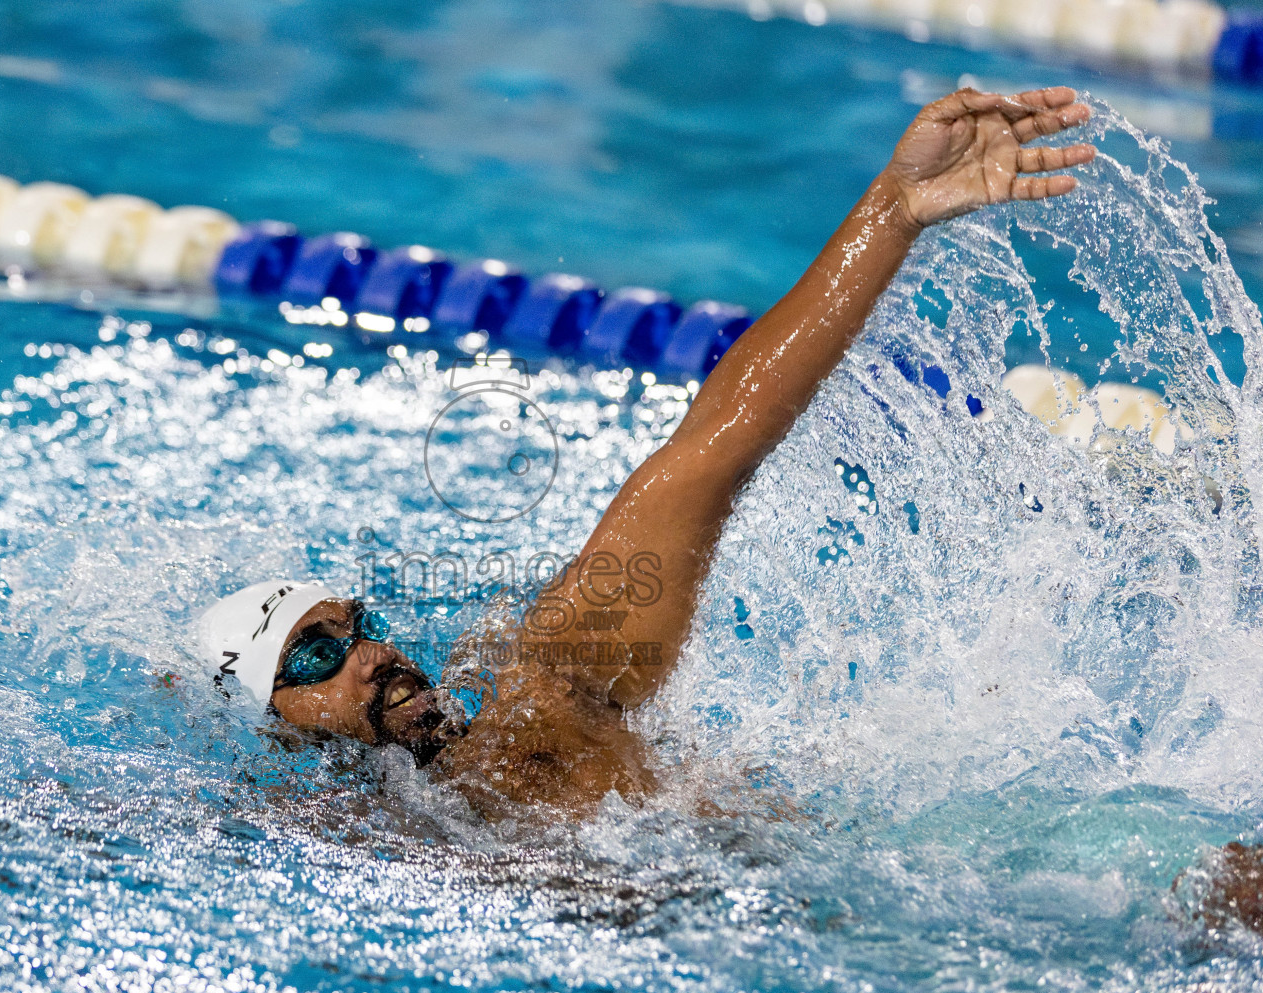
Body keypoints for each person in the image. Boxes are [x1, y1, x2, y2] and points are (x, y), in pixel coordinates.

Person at [200, 86, 1098, 810]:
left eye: (358, 627)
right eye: (315, 655)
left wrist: (892, 210)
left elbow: (718, 439)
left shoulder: (548, 695)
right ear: (272, 723)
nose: (369, 654)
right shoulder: (343, 842)